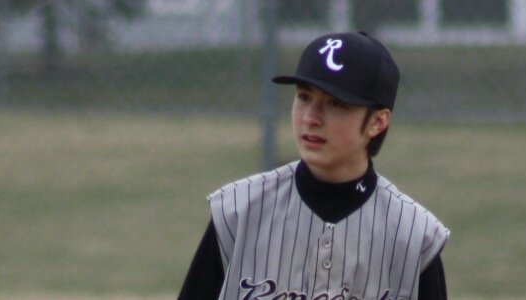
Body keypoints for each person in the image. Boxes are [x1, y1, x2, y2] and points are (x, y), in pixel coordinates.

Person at [177, 32, 450, 300]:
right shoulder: (237, 212)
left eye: (335, 103)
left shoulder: (414, 236)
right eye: (304, 96)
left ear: (377, 122)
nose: (311, 117)